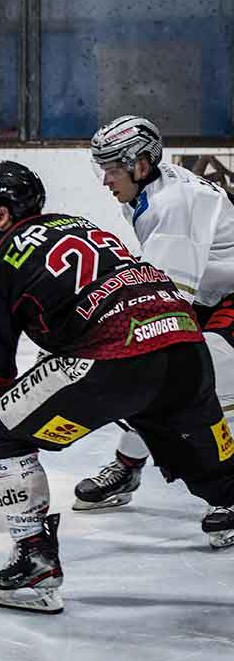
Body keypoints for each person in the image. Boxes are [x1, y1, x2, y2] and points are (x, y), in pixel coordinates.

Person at [0, 160, 234, 613]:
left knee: (1, 430)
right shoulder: (80, 225)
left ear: (1, 215)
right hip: (185, 344)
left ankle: (34, 559)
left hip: (115, 359)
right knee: (216, 472)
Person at [76, 116, 234, 511]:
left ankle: (227, 493)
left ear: (140, 165)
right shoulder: (150, 191)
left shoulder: (172, 204)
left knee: (199, 380)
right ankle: (128, 466)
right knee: (157, 377)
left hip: (226, 297)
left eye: (112, 168)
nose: (105, 180)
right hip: (210, 293)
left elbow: (165, 305)